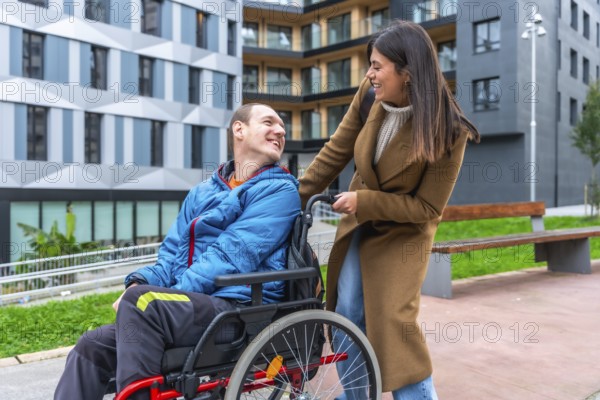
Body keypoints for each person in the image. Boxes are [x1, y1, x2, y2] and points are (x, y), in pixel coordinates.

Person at [54, 103, 301, 400]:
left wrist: (166, 295)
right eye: (269, 122)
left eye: (282, 126)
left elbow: (232, 256)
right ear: (239, 129)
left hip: (241, 308)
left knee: (144, 304)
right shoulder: (202, 193)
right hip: (195, 305)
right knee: (92, 345)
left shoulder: (280, 190)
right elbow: (171, 254)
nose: (280, 131)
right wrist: (139, 282)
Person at [299, 20, 480, 399]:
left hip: (403, 234)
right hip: (359, 223)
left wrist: (366, 202)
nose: (370, 74)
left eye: (377, 66)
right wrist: (295, 196)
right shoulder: (369, 95)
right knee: (347, 315)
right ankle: (356, 394)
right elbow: (337, 148)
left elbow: (427, 207)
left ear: (408, 72)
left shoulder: (448, 129)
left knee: (394, 328)